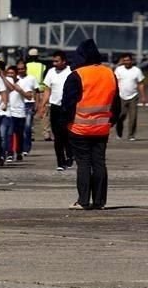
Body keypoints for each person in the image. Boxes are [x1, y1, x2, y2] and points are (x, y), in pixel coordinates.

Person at [63, 39, 121, 210]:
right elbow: (116, 102)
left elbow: (68, 103)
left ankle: (83, 201)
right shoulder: (109, 73)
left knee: (84, 163)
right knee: (99, 163)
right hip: (102, 127)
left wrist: (64, 124)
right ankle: (99, 201)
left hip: (79, 127)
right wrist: (111, 121)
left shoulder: (77, 75)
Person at [39, 51, 73, 171]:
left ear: (64, 61)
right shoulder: (51, 72)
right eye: (53, 61)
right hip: (55, 107)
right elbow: (47, 90)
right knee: (57, 136)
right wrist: (42, 105)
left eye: (57, 61)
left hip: (68, 107)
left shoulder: (71, 71)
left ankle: (70, 155)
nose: (54, 63)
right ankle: (60, 162)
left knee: (67, 134)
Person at [0, 65, 30, 162]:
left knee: (19, 134)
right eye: (8, 73)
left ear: (16, 74)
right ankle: (10, 153)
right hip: (9, 112)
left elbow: (29, 96)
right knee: (9, 134)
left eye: (12, 73)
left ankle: (19, 151)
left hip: (20, 112)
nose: (10, 75)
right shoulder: (3, 83)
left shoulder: (22, 82)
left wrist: (20, 90)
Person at [114, 52, 146, 141]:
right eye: (125, 60)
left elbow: (140, 84)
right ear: (123, 61)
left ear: (131, 61)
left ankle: (131, 135)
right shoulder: (119, 70)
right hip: (121, 97)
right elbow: (115, 82)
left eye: (128, 60)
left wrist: (143, 96)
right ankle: (119, 133)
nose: (126, 62)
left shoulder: (137, 70)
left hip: (133, 97)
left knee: (133, 117)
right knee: (120, 116)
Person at [15, 59, 40, 156]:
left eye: (22, 69)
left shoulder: (31, 78)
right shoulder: (14, 78)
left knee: (27, 127)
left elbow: (37, 92)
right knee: (18, 129)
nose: (21, 70)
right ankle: (19, 148)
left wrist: (37, 104)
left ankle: (26, 148)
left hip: (29, 104)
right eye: (19, 69)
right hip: (17, 105)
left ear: (26, 69)